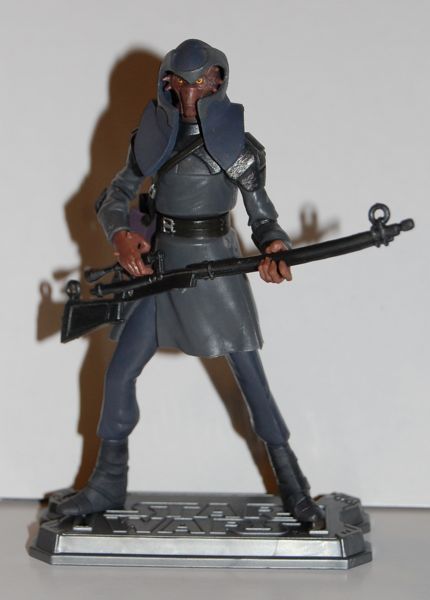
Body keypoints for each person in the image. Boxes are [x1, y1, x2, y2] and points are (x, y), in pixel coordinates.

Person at [57, 39, 324, 528]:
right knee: (119, 374)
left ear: (218, 82)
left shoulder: (238, 148)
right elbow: (115, 194)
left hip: (216, 267)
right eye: (181, 84)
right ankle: (107, 482)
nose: (190, 94)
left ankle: (293, 484)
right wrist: (121, 235)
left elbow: (263, 217)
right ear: (167, 84)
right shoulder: (153, 139)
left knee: (253, 382)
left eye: (201, 83)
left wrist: (274, 247)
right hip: (160, 269)